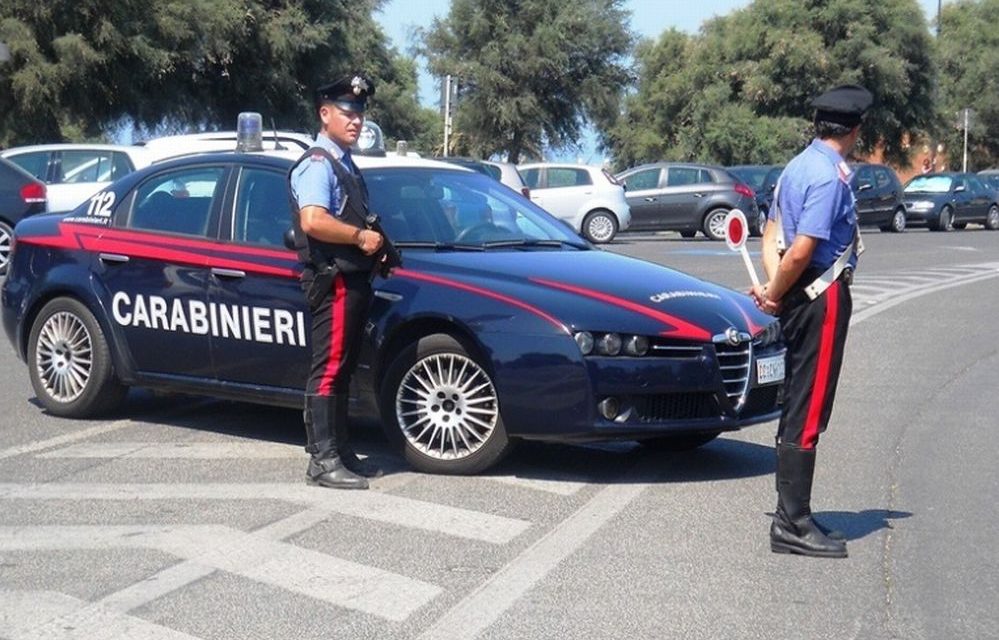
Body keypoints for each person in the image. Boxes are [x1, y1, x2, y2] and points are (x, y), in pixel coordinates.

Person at [750, 84, 873, 558]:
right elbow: (801, 249)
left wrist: (771, 289)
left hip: (798, 295)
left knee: (799, 400)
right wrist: (776, 293)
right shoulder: (830, 176)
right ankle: (792, 524)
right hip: (821, 297)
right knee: (810, 404)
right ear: (855, 130)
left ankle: (794, 515)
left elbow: (773, 235)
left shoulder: (796, 167)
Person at [288, 74, 386, 490]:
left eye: (360, 113)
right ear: (324, 113)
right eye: (347, 112)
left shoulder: (342, 161)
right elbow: (313, 220)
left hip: (353, 277)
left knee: (342, 368)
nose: (356, 120)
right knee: (328, 368)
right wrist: (359, 237)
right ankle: (322, 461)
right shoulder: (317, 163)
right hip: (336, 279)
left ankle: (340, 451)